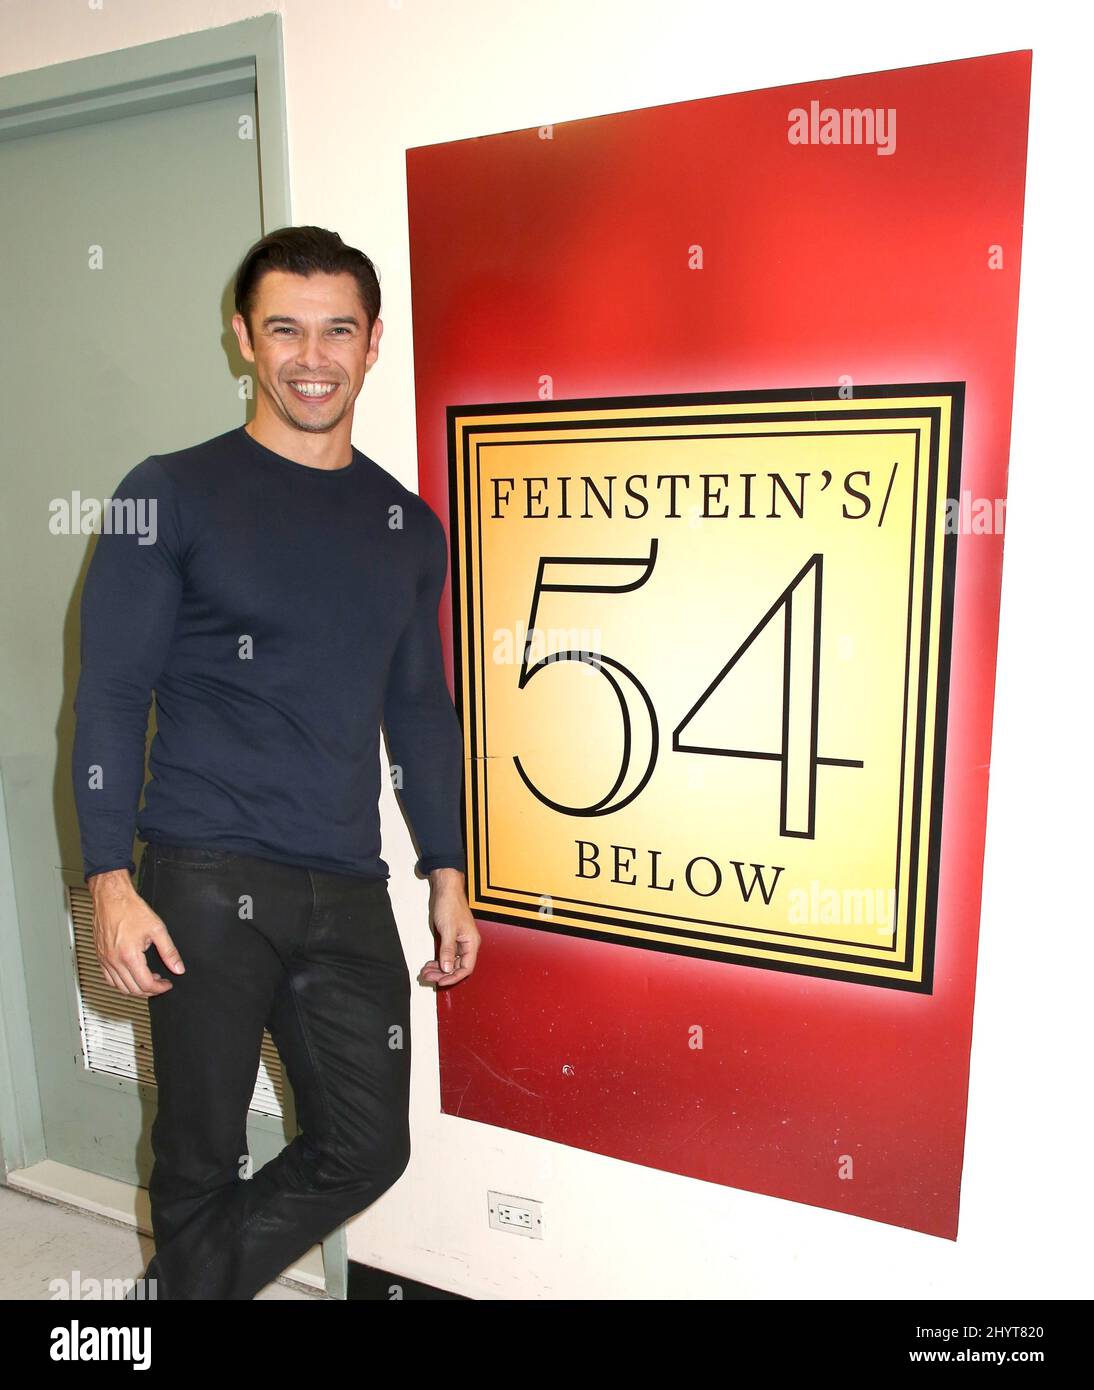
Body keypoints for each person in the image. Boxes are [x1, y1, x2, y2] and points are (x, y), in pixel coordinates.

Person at [71, 225, 480, 1300]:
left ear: (372, 341)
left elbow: (419, 710)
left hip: (345, 884)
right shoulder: (170, 492)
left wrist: (446, 868)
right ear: (244, 339)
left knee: (366, 1142)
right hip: (201, 875)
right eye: (286, 328)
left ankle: (163, 1306)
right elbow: (108, 699)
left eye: (337, 329)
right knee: (200, 1154)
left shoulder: (404, 524)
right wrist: (107, 881)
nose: (313, 355)